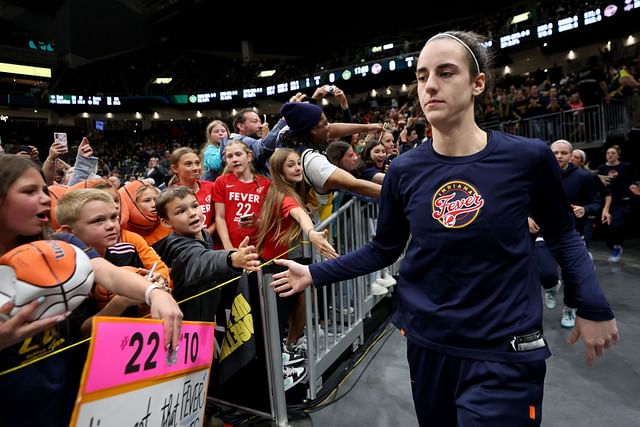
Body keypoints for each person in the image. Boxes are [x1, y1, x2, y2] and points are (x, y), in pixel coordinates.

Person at [270, 31, 618, 426]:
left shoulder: (527, 158)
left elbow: (562, 234)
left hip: (503, 350)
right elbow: (384, 249)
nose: (430, 85)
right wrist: (314, 272)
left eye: (446, 72)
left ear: (477, 84)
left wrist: (590, 302)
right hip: (429, 345)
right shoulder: (403, 170)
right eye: (421, 76)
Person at [0, 155, 182, 426]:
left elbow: (106, 271)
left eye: (43, 189)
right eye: (29, 191)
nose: (44, 198)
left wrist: (154, 294)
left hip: (60, 390)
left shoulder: (61, 243)